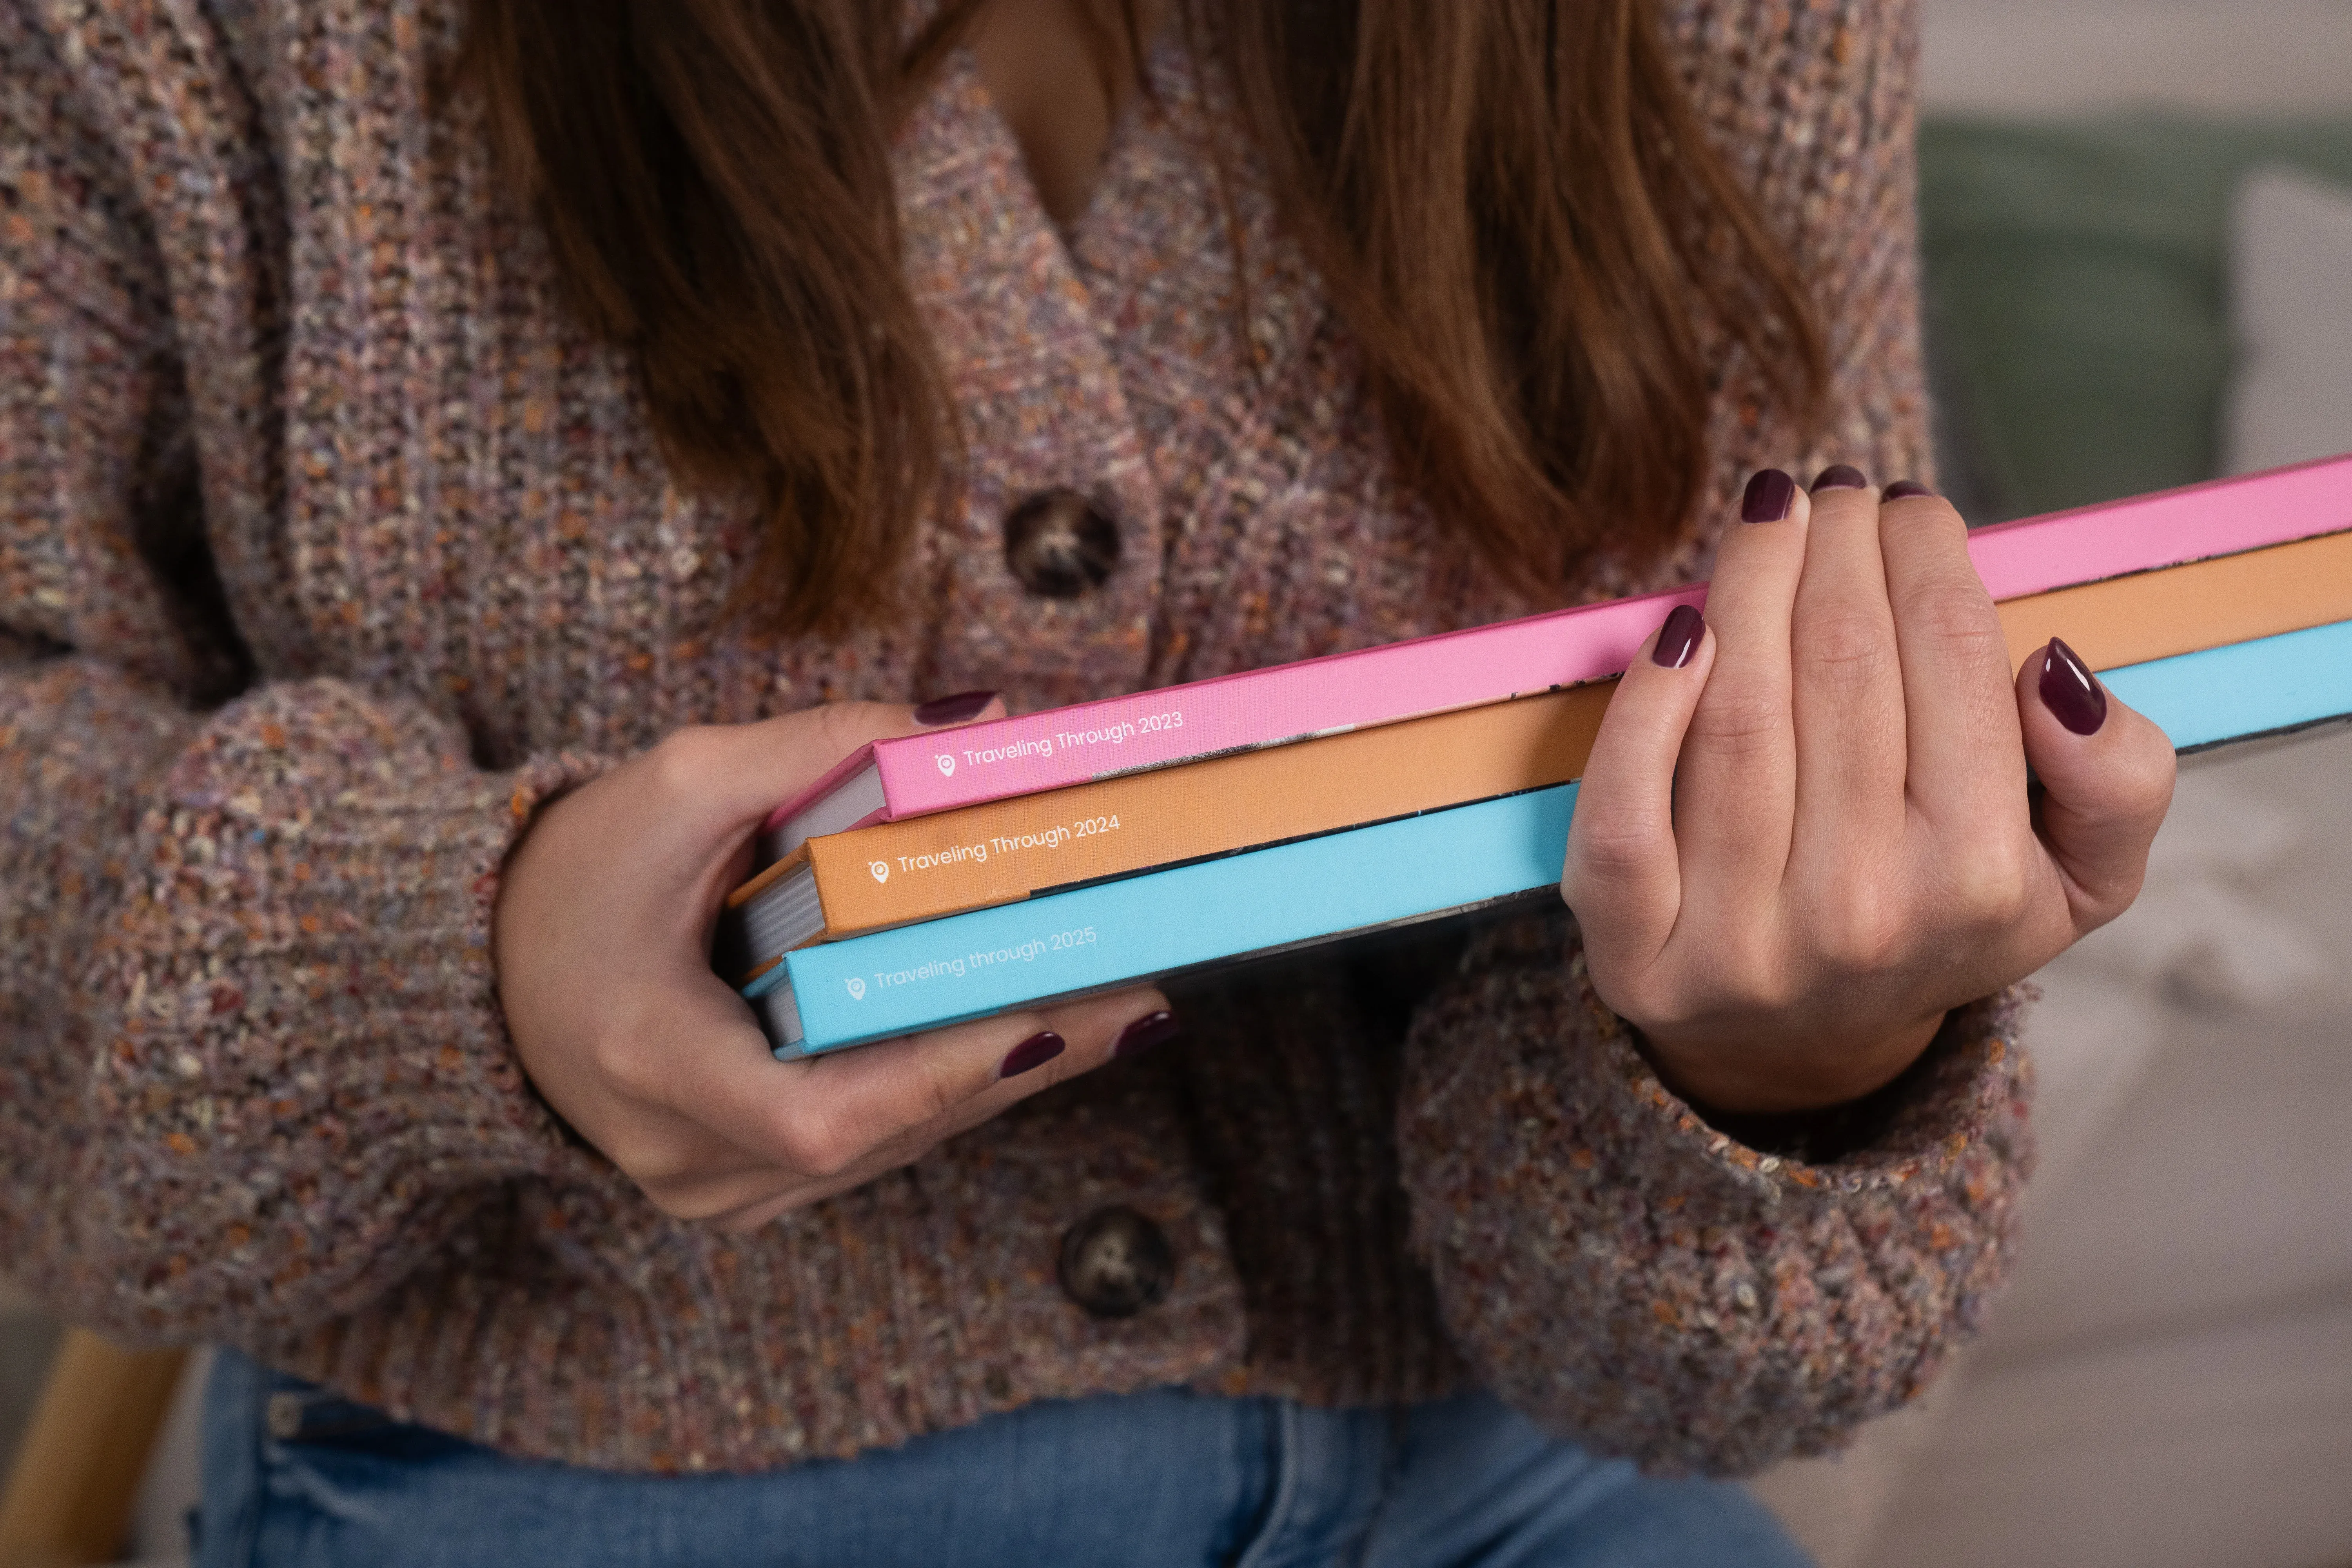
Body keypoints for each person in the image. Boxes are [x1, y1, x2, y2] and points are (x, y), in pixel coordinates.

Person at [0, 0, 2176, 1563]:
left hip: (1516, 1483)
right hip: (593, 1483)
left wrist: (1787, 1066)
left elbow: (1719, 1379)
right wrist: (460, 961)